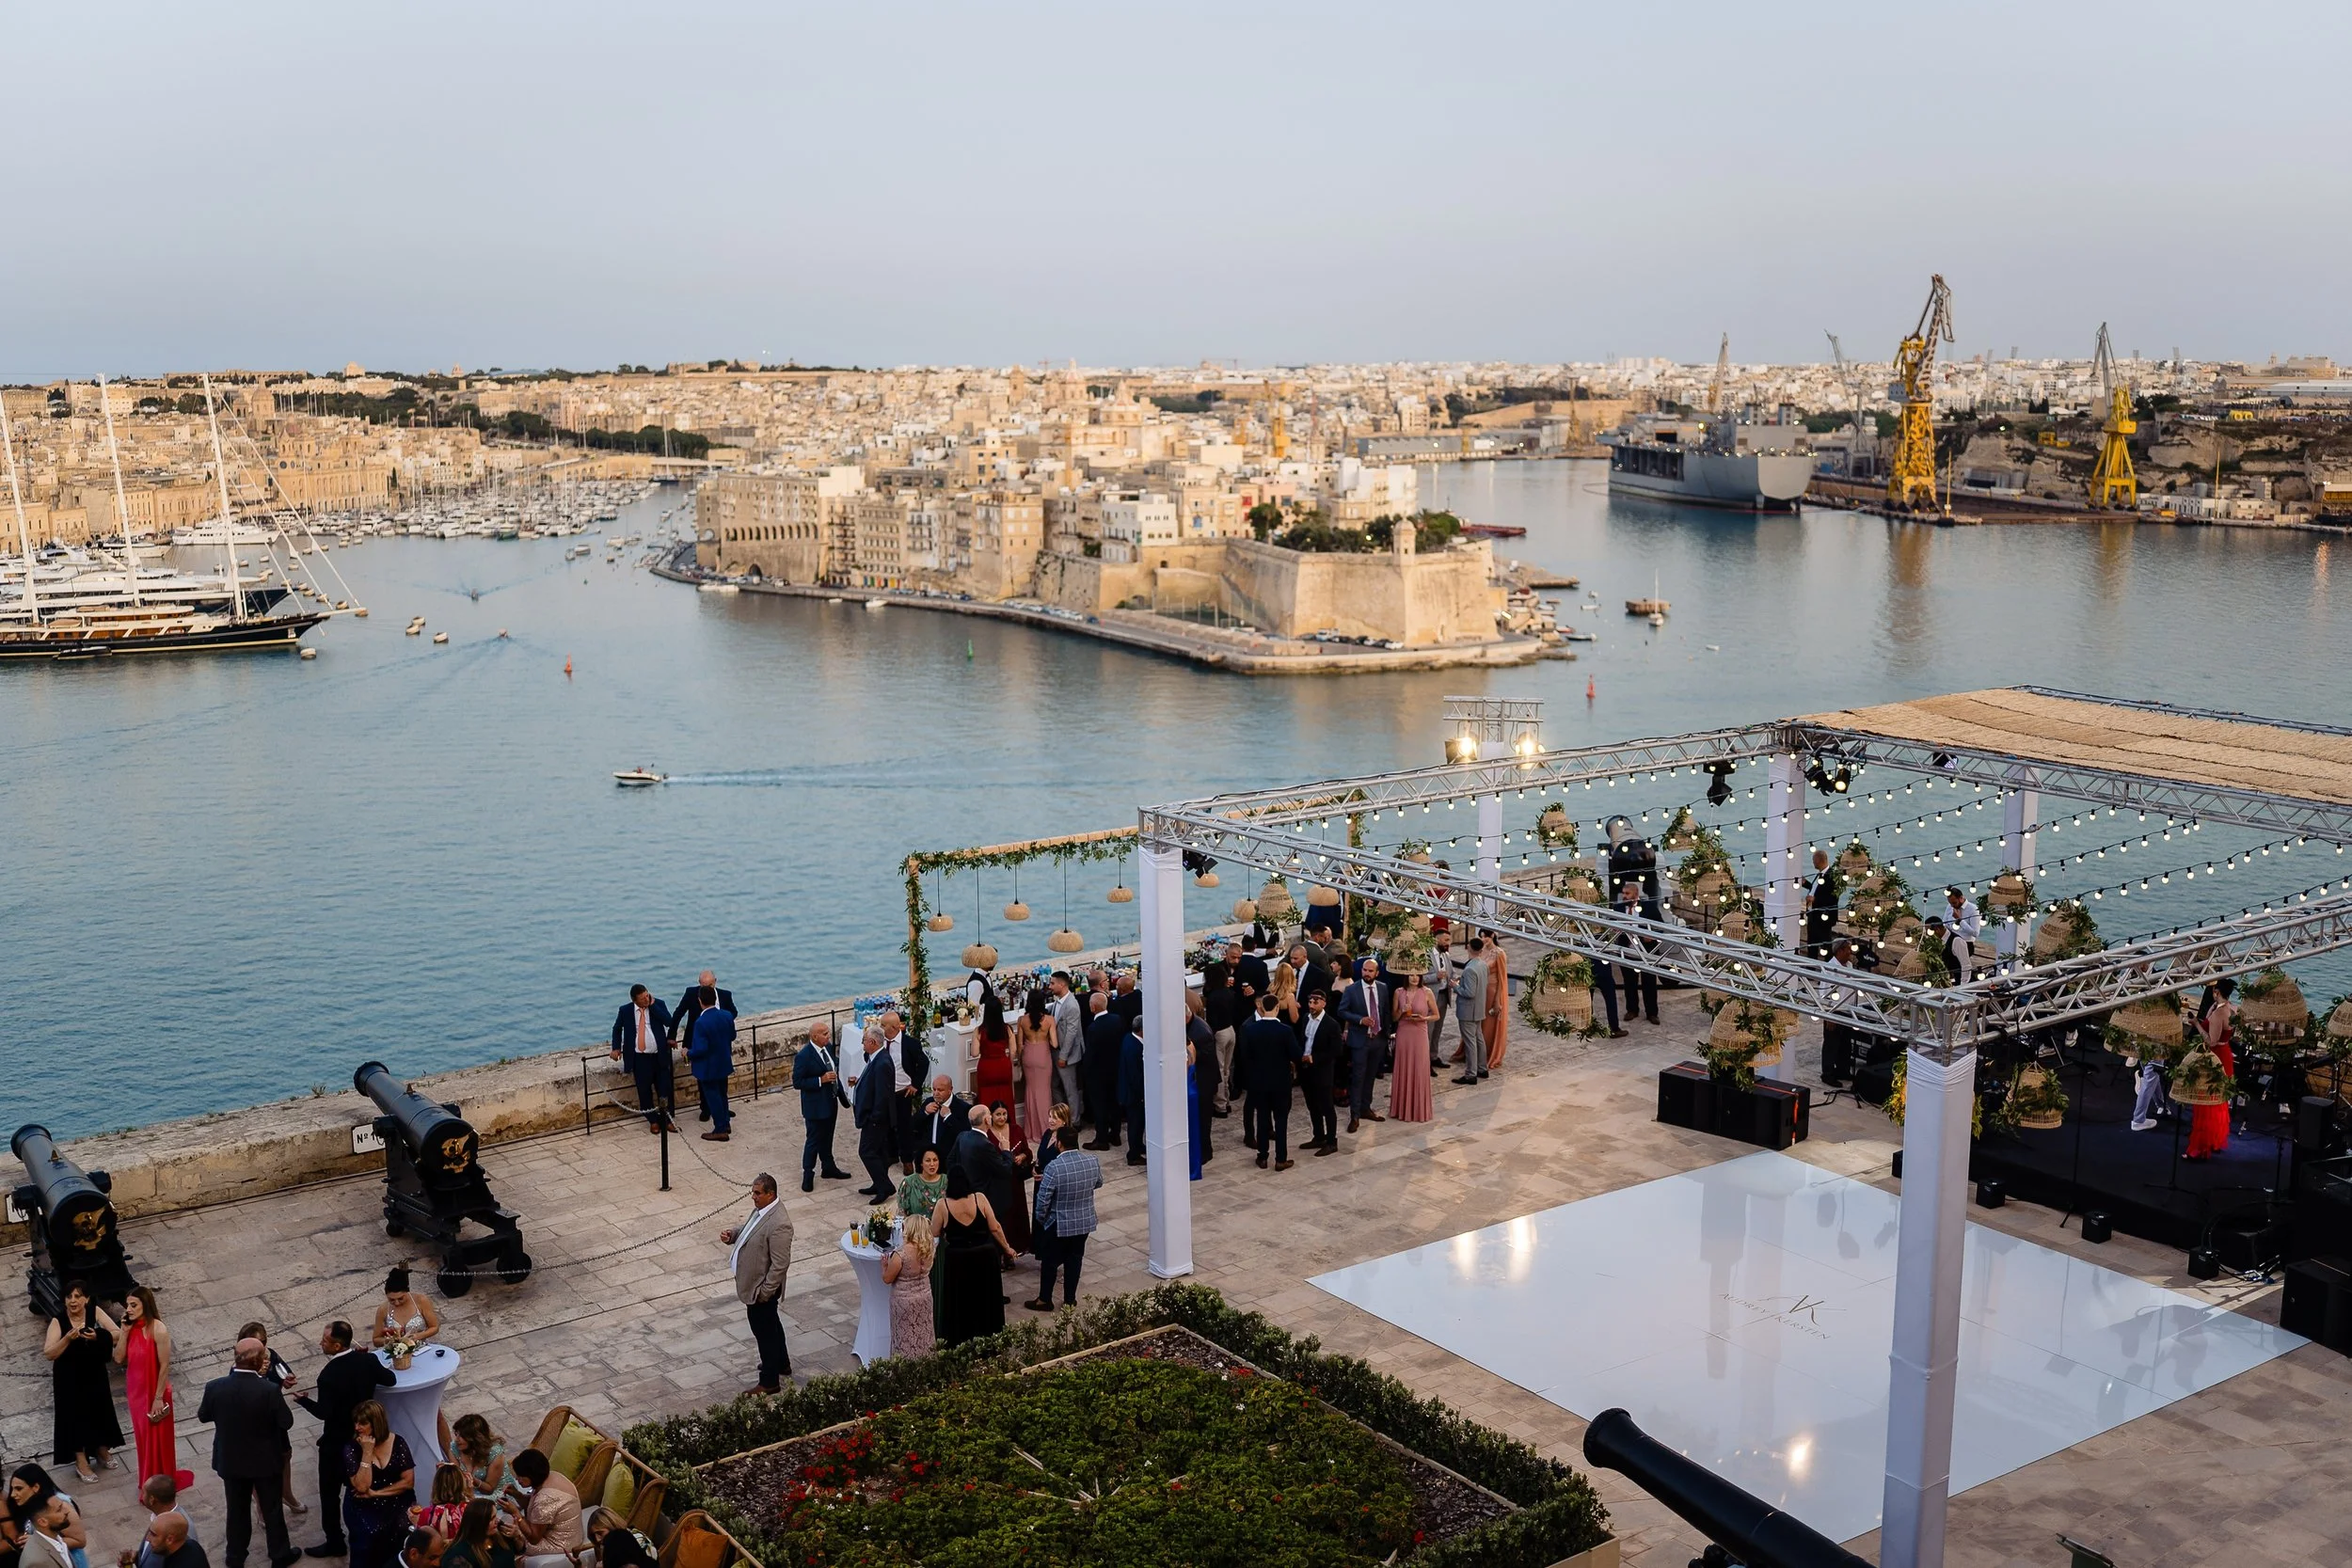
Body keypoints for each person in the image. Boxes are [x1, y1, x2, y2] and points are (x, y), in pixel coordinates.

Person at [295, 1321, 394, 1559]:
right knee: (361, 1491)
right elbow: (390, 1379)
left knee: (329, 1496)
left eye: (325, 1341)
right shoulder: (367, 1361)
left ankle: (335, 1542)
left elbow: (325, 1413)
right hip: (362, 1441)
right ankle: (369, 1534)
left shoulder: (328, 1375)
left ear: (337, 1345)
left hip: (335, 1443)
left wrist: (303, 1401)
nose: (321, 1343)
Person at [114, 1287, 196, 1494]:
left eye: (134, 1305)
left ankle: (160, 1483)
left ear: (145, 1305)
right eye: (128, 1305)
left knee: (158, 1440)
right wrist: (123, 1332)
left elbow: (164, 1365)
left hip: (155, 1391)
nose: (129, 1309)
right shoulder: (130, 1328)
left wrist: (158, 1397)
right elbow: (118, 1358)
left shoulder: (158, 1329)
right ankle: (148, 1481)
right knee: (143, 1438)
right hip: (136, 1391)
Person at [720, 1174, 792, 1395]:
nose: (753, 1197)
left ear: (771, 1194)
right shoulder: (763, 1211)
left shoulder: (780, 1224)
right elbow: (751, 1229)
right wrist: (734, 1235)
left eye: (758, 1193)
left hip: (761, 1289)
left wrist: (765, 1292)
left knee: (764, 1333)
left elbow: (780, 1264)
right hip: (757, 1287)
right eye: (753, 1192)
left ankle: (769, 1381)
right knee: (772, 1325)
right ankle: (781, 1363)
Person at [43, 1281, 120, 1482]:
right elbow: (49, 1353)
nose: (73, 1301)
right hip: (69, 1378)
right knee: (74, 1417)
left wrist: (98, 1335)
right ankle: (81, 1461)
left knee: (99, 1410)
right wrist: (67, 1339)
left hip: (94, 1373)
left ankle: (102, 1450)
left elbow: (117, 1333)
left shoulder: (95, 1312)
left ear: (86, 1299)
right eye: (69, 1297)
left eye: (78, 1296)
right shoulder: (58, 1321)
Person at [933, 1169, 1016, 1346]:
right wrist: (1007, 1248)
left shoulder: (943, 1205)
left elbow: (934, 1233)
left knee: (960, 1302)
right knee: (986, 1298)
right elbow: (995, 1227)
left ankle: (961, 1341)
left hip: (957, 1260)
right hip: (984, 1258)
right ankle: (990, 1339)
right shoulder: (980, 1198)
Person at [1025, 1125, 1102, 1311]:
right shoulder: (1092, 1161)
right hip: (1084, 1222)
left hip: (1058, 1224)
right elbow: (1098, 1182)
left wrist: (1042, 1220)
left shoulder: (1054, 1167)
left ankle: (1045, 1299)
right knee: (1074, 1260)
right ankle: (1069, 1300)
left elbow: (1043, 1200)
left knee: (1050, 1262)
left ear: (1059, 1144)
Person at [1234, 992, 1301, 1169]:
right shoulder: (1286, 1031)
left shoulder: (1250, 1030)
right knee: (1281, 1121)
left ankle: (1262, 1156)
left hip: (1259, 1082)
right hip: (1281, 1082)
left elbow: (1245, 1056)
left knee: (1263, 1119)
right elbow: (1296, 1055)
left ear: (1262, 1008)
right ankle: (1281, 1159)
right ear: (1277, 1008)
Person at [789, 1022, 853, 1191]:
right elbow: (797, 1082)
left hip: (831, 1102)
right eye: (824, 1034)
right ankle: (808, 1173)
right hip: (815, 1107)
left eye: (828, 1033)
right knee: (813, 1140)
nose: (828, 1036)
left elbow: (834, 1069)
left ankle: (828, 1167)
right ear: (814, 1036)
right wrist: (820, 1080)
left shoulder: (828, 1047)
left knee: (828, 1136)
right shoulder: (804, 1056)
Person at [607, 986, 676, 1134]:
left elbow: (669, 1021)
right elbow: (617, 1028)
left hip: (659, 1056)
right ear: (634, 1000)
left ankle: (668, 1119)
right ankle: (652, 1120)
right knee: (644, 1091)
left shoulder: (658, 1004)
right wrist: (616, 1047)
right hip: (640, 1058)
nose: (646, 999)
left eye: (647, 995)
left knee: (665, 1088)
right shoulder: (625, 1010)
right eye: (642, 998)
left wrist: (653, 1006)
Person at [1337, 958, 1391, 1135]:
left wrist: (1386, 1034)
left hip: (1378, 1040)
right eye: (1365, 970)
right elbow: (1342, 1011)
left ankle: (1366, 1108)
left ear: (1377, 973)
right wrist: (1360, 1020)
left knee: (1371, 1076)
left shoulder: (1382, 988)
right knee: (1358, 1076)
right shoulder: (1352, 990)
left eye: (1370, 971)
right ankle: (1355, 1115)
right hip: (1360, 1040)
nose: (1367, 973)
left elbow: (1385, 1011)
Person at [496, 1451, 578, 1568]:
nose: (517, 1479)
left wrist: (515, 1513)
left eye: (520, 1476)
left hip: (559, 1543)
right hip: (560, 1531)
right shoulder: (551, 1476)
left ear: (532, 1475)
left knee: (507, 1533)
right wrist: (517, 1494)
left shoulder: (545, 1499)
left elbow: (534, 1538)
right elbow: (533, 1504)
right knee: (506, 1523)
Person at [2187, 979, 2238, 1160]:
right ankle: (2215, 1139)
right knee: (2219, 1102)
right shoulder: (2232, 1009)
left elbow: (2212, 1041)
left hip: (2215, 1058)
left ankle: (2201, 1148)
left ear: (2217, 991)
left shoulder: (2219, 1014)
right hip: (2225, 1054)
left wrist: (2197, 1025)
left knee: (2206, 1101)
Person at [850, 1025, 901, 1201]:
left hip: (877, 1119)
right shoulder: (875, 1058)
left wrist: (874, 1117)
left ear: (872, 1042)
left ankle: (885, 1186)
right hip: (874, 1117)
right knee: (878, 1152)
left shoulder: (882, 1063)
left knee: (866, 1152)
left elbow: (882, 1094)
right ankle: (878, 1183)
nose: (862, 1044)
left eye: (864, 1041)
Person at [880, 1212, 936, 1360]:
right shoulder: (929, 1250)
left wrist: (884, 1266)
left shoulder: (901, 1255)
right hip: (925, 1298)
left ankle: (904, 1371)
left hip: (904, 1302)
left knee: (904, 1338)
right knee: (925, 1336)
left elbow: (887, 1279)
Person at [685, 992, 738, 1142]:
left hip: (708, 1067)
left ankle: (720, 1129)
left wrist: (688, 1052)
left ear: (700, 1001)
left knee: (713, 1097)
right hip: (723, 1061)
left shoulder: (701, 1022)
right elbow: (732, 1036)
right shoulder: (727, 1015)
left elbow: (700, 1049)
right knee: (722, 1094)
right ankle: (726, 1123)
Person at [5, 1471, 86, 1568]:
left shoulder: (58, 1504)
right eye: (12, 1489)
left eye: (19, 1489)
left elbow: (80, 1541)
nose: (13, 1494)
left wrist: (37, 1541)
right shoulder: (24, 1508)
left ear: (35, 1487)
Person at [983, 1103, 1035, 1256]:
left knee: (1017, 1213)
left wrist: (1022, 1156)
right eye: (998, 1114)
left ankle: (1018, 1248)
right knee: (1002, 1216)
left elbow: (1028, 1151)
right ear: (991, 1116)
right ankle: (1002, 1252)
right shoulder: (987, 1134)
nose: (1002, 1117)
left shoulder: (1016, 1129)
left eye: (1004, 1114)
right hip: (998, 1182)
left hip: (1016, 1180)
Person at [1294, 989, 1341, 1154]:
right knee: (1312, 1105)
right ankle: (1318, 1136)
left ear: (1324, 1003)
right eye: (1310, 1002)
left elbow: (1335, 1050)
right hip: (1306, 1070)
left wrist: (1314, 1058)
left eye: (1316, 1002)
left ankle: (1331, 1141)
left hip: (1322, 1071)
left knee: (1327, 1106)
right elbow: (1302, 1040)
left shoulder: (1331, 1024)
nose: (1312, 1005)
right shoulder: (1306, 1019)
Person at [1389, 967, 1437, 1122]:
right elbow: (1394, 1018)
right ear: (1406, 976)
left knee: (1419, 1067)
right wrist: (1402, 1011)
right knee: (1403, 1066)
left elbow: (1436, 1015)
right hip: (1404, 1033)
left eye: (1417, 974)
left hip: (1420, 1034)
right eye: (1411, 974)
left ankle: (1418, 1109)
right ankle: (1401, 1109)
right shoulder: (1398, 992)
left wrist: (1424, 1018)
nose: (1415, 978)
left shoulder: (1427, 992)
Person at [126, 1478, 209, 1568]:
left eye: (144, 1492)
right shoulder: (161, 1518)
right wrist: (137, 1558)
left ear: (152, 1499)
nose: (148, 1538)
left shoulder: (183, 1530)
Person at [968, 990, 1017, 1136]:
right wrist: (1006, 1062)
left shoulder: (980, 1031)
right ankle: (1009, 1129)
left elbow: (975, 1053)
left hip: (986, 1067)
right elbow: (1013, 1050)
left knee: (986, 1097)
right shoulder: (1007, 1028)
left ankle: (987, 1131)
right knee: (1006, 1096)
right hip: (1002, 1065)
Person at [1081, 993, 1125, 1150]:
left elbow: (1091, 1054)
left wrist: (1085, 1072)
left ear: (1093, 1007)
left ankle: (1102, 1139)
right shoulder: (1117, 1020)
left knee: (1100, 1107)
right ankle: (1116, 1134)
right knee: (1115, 1104)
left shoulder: (1093, 1028)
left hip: (1098, 1074)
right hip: (1115, 1070)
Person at [1614, 881, 1660, 1029]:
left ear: (1636, 894)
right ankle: (1632, 1010)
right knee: (1629, 983)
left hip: (1647, 952)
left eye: (1627, 894)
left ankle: (1652, 1013)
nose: (1624, 897)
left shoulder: (1649, 907)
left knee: (1649, 983)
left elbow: (1661, 927)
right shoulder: (1618, 908)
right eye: (1623, 894)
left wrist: (1651, 937)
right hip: (1626, 951)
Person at [1014, 990, 1057, 1138]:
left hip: (1028, 1056)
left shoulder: (1022, 1020)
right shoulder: (1050, 1019)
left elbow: (1019, 1045)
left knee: (1030, 1091)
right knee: (1045, 1092)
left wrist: (1019, 1060)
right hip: (1043, 1055)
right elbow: (1055, 1043)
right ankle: (1046, 1130)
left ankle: (1031, 1130)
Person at [1048, 974, 1088, 1125]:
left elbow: (1071, 1033)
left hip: (1067, 1055)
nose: (1050, 986)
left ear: (1062, 985)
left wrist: (1063, 1056)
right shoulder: (1057, 1003)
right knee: (1055, 1086)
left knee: (1071, 1089)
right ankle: (1063, 1117)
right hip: (1056, 1051)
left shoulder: (1071, 1005)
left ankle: (1075, 1121)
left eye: (1052, 984)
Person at [1452, 938, 1490, 1082]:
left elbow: (1469, 993)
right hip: (1479, 1008)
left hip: (1468, 1011)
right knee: (1479, 1039)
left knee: (1470, 1042)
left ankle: (1471, 1074)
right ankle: (1482, 1068)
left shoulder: (1469, 969)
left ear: (1468, 947)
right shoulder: (1483, 965)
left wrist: (1455, 986)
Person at [1184, 990, 1215, 1172]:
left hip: (1204, 1081)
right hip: (1200, 1079)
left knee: (1203, 1119)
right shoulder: (1193, 1026)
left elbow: (1202, 1056)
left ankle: (1205, 1151)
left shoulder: (1199, 1032)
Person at [372, 1270, 440, 1351]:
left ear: (407, 1292)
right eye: (392, 1300)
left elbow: (434, 1327)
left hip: (422, 1349)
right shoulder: (383, 1309)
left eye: (401, 1298)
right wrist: (391, 1340)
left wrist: (418, 1336)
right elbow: (376, 1340)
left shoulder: (421, 1301)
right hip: (397, 1353)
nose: (397, 1303)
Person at [916, 1076, 972, 1169]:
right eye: (934, 1089)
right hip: (928, 1155)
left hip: (949, 1158)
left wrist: (948, 1117)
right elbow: (914, 1126)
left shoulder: (963, 1108)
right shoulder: (928, 1102)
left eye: (940, 1090)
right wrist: (924, 1112)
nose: (936, 1093)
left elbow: (965, 1135)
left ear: (950, 1090)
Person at [446, 1418, 505, 1504]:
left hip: (495, 1494)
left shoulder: (495, 1453)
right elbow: (457, 1480)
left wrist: (472, 1480)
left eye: (462, 1436)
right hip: (466, 1491)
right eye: (456, 1434)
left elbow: (490, 1489)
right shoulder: (454, 1448)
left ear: (474, 1438)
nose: (457, 1439)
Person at [1117, 1011, 1149, 1165]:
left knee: (1138, 1123)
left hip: (1131, 1091)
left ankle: (1138, 1146)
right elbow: (1135, 1075)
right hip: (1133, 1094)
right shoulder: (1134, 1048)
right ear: (1141, 1030)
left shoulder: (1129, 1039)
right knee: (1135, 1124)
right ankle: (1133, 1154)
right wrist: (1142, 1094)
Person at [1480, 930, 1511, 1069]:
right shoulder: (1481, 950)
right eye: (1481, 937)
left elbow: (1502, 978)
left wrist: (1498, 1000)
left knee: (1489, 1025)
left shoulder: (1499, 953)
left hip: (1492, 992)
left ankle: (1488, 1054)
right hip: (1480, 991)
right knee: (1479, 1022)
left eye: (1485, 936)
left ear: (1492, 936)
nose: (1483, 939)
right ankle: (1477, 1053)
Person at [410, 1467, 467, 1542]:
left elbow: (421, 1544)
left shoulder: (427, 1513)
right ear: (462, 1484)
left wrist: (416, 1523)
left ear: (436, 1485)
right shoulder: (470, 1509)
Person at [1804, 849, 1841, 959]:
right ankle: (1810, 971)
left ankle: (1827, 971)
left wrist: (1815, 899)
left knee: (1826, 948)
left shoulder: (1831, 876)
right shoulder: (1820, 875)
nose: (1813, 863)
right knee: (1811, 947)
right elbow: (1816, 889)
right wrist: (1806, 884)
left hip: (1823, 918)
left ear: (1819, 860)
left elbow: (1833, 899)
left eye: (1814, 860)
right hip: (1813, 916)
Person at [583, 1510, 652, 1568]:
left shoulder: (634, 1546)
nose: (597, 1539)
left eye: (600, 1533)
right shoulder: (620, 1541)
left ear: (612, 1525)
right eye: (593, 1536)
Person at [437, 1503, 497, 1568]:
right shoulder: (458, 1555)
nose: (497, 1521)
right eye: (492, 1519)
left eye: (496, 1516)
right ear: (478, 1523)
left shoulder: (499, 1539)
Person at [895, 1146, 946, 1220]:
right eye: (928, 1160)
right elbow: (901, 1211)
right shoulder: (909, 1182)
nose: (932, 1164)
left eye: (935, 1160)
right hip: (916, 1229)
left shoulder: (947, 1181)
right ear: (921, 1163)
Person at [1944, 888, 1982, 982]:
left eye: (1954, 903)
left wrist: (1960, 921)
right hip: (1951, 941)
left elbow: (1975, 933)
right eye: (1950, 903)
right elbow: (1944, 922)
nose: (1952, 905)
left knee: (1959, 967)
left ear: (1961, 898)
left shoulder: (1973, 910)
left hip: (1965, 943)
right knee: (1945, 960)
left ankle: (1965, 984)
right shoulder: (1950, 906)